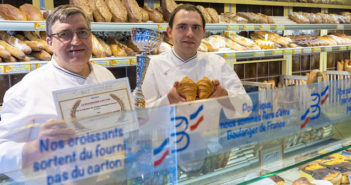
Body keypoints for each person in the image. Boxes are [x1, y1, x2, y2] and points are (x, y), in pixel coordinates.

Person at [0, 4, 115, 181]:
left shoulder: (106, 76)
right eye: (64, 34)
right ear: (49, 43)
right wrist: (37, 147)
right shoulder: (27, 89)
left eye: (82, 32)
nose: (76, 41)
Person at [142, 4, 250, 109]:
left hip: (211, 128)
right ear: (169, 32)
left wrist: (226, 96)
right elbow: (141, 115)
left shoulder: (218, 63)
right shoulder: (154, 65)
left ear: (203, 33)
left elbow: (247, 107)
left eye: (195, 27)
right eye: (182, 27)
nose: (190, 33)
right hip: (169, 128)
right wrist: (167, 101)